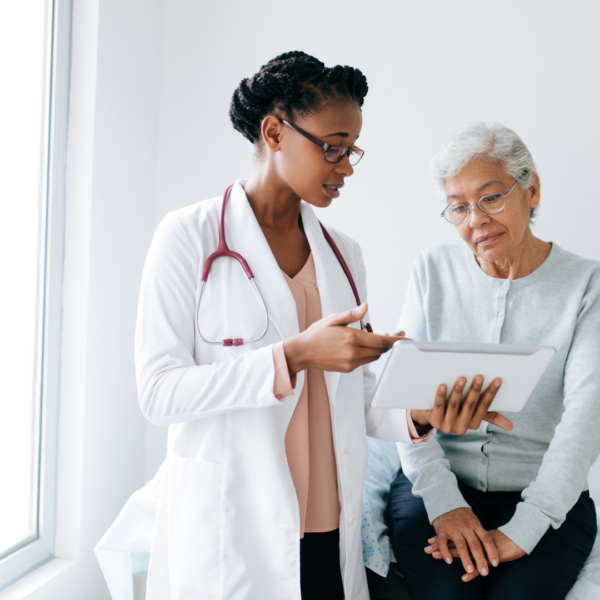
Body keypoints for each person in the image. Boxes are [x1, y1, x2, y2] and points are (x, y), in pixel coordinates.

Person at [135, 54, 510, 600]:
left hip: (327, 522)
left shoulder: (344, 254)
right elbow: (158, 393)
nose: (347, 166)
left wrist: (422, 412)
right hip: (233, 525)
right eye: (333, 147)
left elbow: (354, 399)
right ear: (274, 131)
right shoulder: (187, 238)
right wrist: (293, 356)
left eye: (352, 150)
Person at [387, 122, 600, 600]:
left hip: (546, 495)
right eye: (459, 207)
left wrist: (526, 527)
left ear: (532, 190)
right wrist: (445, 505)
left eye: (491, 198)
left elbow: (586, 417)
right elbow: (405, 403)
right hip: (437, 484)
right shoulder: (431, 270)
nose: (476, 220)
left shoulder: (588, 285)